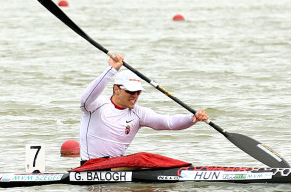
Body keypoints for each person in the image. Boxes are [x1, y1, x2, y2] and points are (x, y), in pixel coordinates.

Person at [78, 52, 209, 162]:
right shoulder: (95, 105)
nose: (135, 96)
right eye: (130, 91)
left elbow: (168, 123)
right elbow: (85, 98)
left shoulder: (138, 113)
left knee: (147, 161)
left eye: (138, 92)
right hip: (90, 167)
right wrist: (112, 70)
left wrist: (193, 118)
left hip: (117, 166)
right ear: (116, 89)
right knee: (141, 158)